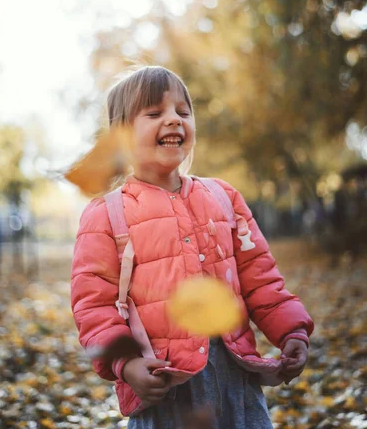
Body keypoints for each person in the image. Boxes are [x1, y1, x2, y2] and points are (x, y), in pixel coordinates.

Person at [71, 66, 314, 428]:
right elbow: (94, 306)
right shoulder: (107, 215)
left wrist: (291, 331)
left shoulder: (223, 197)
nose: (173, 120)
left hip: (237, 379)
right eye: (154, 113)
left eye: (183, 112)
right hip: (166, 387)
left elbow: (260, 279)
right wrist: (127, 364)